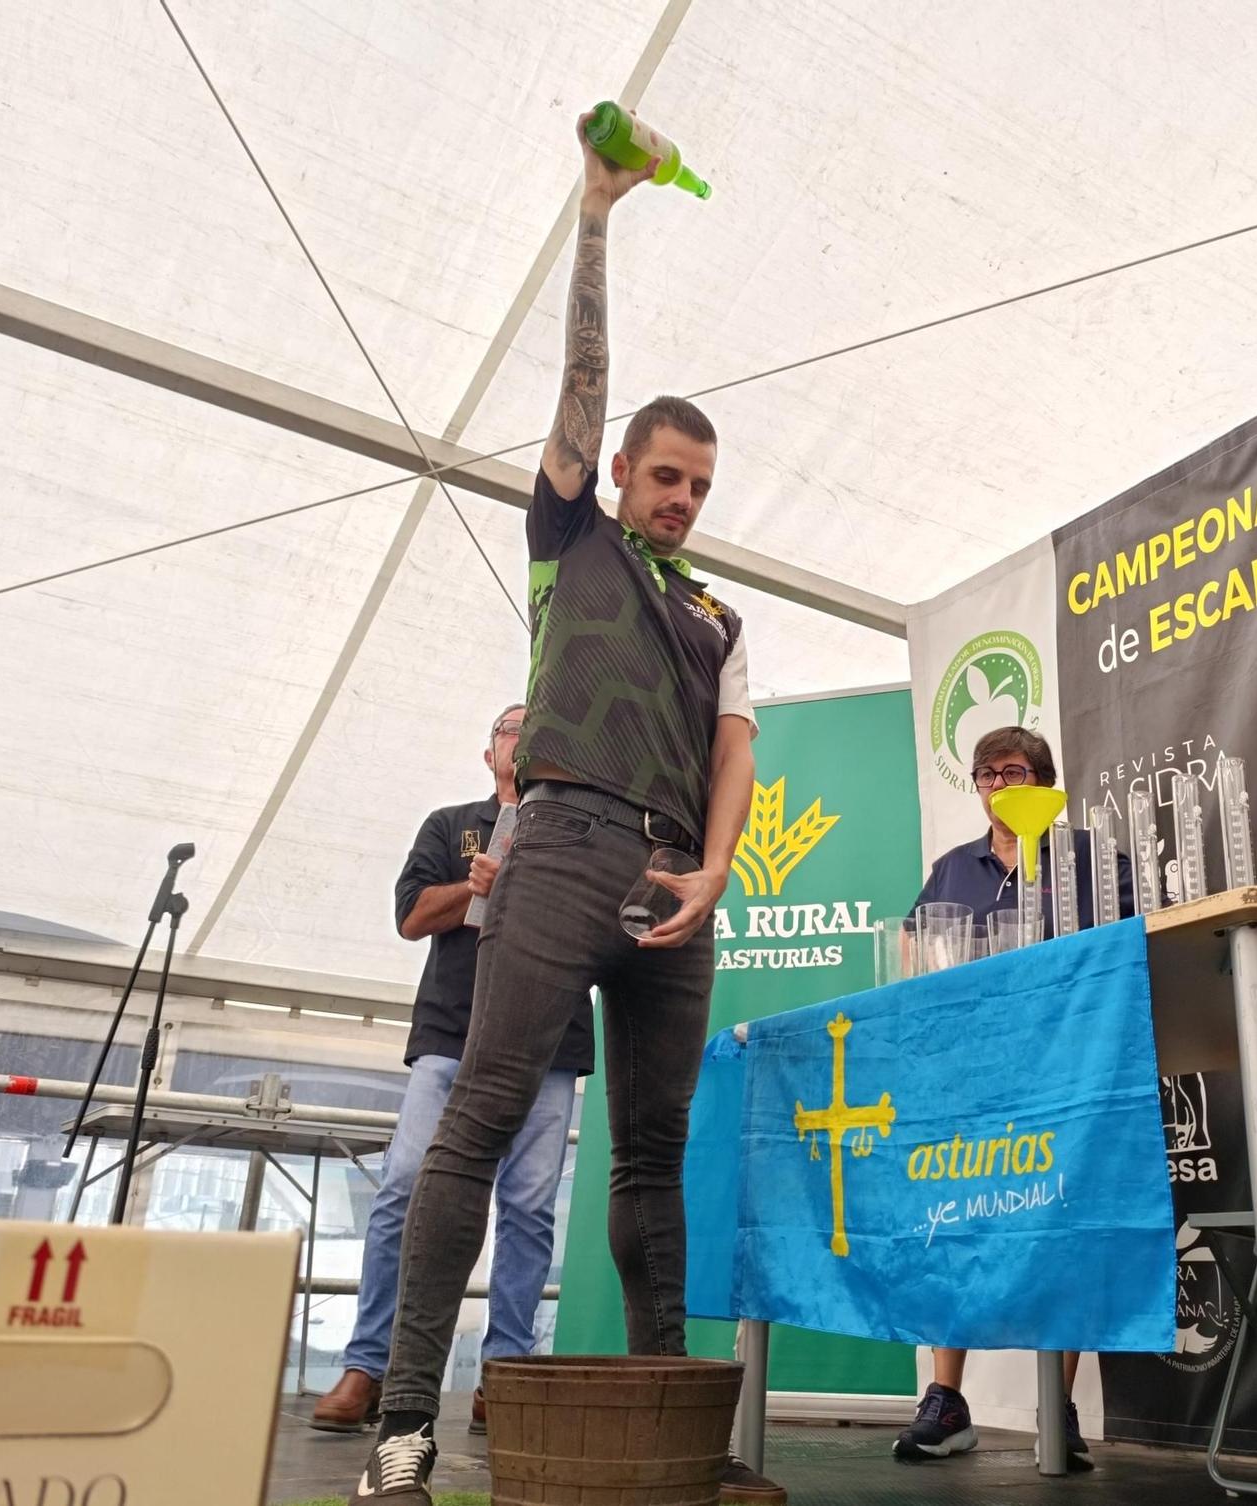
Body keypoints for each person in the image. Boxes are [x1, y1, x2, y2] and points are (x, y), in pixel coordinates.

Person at [350, 112, 773, 1505]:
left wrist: (715, 872)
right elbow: (580, 378)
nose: (684, 500)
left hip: (671, 884)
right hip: (561, 848)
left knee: (652, 1158)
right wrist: (596, 217)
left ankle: (670, 1431)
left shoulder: (720, 616)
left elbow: (734, 749)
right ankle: (408, 1425)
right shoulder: (569, 536)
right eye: (668, 475)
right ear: (620, 472)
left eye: (701, 486)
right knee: (474, 1124)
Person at [311, 704, 590, 1436]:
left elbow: (607, 926)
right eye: (509, 728)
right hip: (451, 1034)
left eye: (539, 727)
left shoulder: (586, 834)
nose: (524, 738)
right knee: (404, 1188)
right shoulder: (449, 825)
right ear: (488, 750)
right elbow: (410, 917)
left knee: (529, 1206)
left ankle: (506, 1371)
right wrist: (477, 887)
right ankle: (370, 1365)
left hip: (550, 1038)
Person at [894, 725, 1122, 1472]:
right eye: (986, 775)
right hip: (974, 1080)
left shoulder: (1093, 861)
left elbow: (1132, 943)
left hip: (1068, 1076)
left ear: (1045, 782)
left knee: (1065, 1224)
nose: (998, 786)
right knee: (951, 1224)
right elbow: (914, 952)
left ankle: (1056, 1405)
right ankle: (946, 1401)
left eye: (1014, 772)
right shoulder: (952, 869)